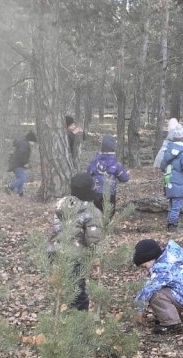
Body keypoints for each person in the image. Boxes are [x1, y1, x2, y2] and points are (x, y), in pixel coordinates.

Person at [49, 172, 104, 310]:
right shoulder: (91, 211)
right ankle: (78, 319)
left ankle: (60, 316)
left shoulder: (62, 205)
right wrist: (96, 259)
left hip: (55, 252)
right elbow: (94, 239)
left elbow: (56, 230)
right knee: (78, 294)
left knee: (61, 290)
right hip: (75, 256)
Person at [133, 238, 183, 335]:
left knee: (156, 295)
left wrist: (139, 309)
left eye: (144, 266)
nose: (145, 269)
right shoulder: (169, 257)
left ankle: (171, 324)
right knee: (161, 290)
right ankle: (172, 316)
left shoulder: (163, 268)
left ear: (150, 259)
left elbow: (148, 289)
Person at [154, 119, 183, 230]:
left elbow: (162, 165)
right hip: (180, 183)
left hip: (170, 183)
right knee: (177, 205)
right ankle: (173, 225)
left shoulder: (168, 150)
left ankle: (170, 223)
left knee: (172, 204)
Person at [87, 136, 130, 213]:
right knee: (109, 215)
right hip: (110, 194)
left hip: (95, 193)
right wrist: (127, 174)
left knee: (96, 214)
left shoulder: (94, 161)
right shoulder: (116, 164)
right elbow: (124, 178)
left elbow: (88, 174)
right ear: (114, 148)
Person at [7, 130, 37, 196]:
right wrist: (25, 163)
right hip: (17, 165)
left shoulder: (24, 143)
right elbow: (21, 154)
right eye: (34, 142)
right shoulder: (25, 145)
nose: (34, 144)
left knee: (20, 178)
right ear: (30, 140)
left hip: (16, 164)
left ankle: (20, 193)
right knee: (22, 179)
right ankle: (10, 187)